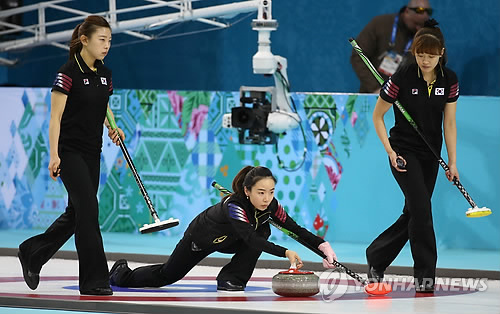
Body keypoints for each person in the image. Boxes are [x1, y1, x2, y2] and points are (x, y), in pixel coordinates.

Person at [17, 15, 125, 296]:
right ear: (84, 40)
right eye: (102, 40)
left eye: (110, 40)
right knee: (89, 211)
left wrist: (113, 128)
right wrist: (54, 155)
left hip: (93, 152)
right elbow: (55, 118)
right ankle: (94, 280)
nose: (106, 46)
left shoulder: (106, 73)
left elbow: (103, 106)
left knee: (77, 213)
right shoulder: (67, 72)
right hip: (70, 152)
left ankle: (32, 252)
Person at [109, 166, 337, 291]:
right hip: (202, 237)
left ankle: (231, 279)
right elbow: (249, 237)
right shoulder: (235, 206)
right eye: (261, 192)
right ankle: (121, 273)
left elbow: (295, 229)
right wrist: (284, 252)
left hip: (231, 240)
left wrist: (322, 246)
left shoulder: (272, 207)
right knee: (166, 276)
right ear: (247, 190)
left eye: (271, 191)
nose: (267, 198)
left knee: (263, 230)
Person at [366, 19, 459, 293]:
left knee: (414, 213)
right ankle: (425, 279)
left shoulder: (449, 80)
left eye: (430, 55)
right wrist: (390, 151)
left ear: (441, 53)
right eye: (420, 55)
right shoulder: (403, 77)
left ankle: (377, 256)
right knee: (422, 212)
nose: (425, 60)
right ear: (414, 53)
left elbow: (449, 124)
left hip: (431, 154)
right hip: (404, 153)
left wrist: (452, 161)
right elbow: (378, 116)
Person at [350, 0, 432, 93]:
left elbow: (436, 68)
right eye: (416, 24)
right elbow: (358, 56)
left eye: (421, 25)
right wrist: (375, 88)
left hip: (408, 99)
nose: (418, 29)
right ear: (407, 11)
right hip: (374, 95)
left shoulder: (428, 35)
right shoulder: (380, 24)